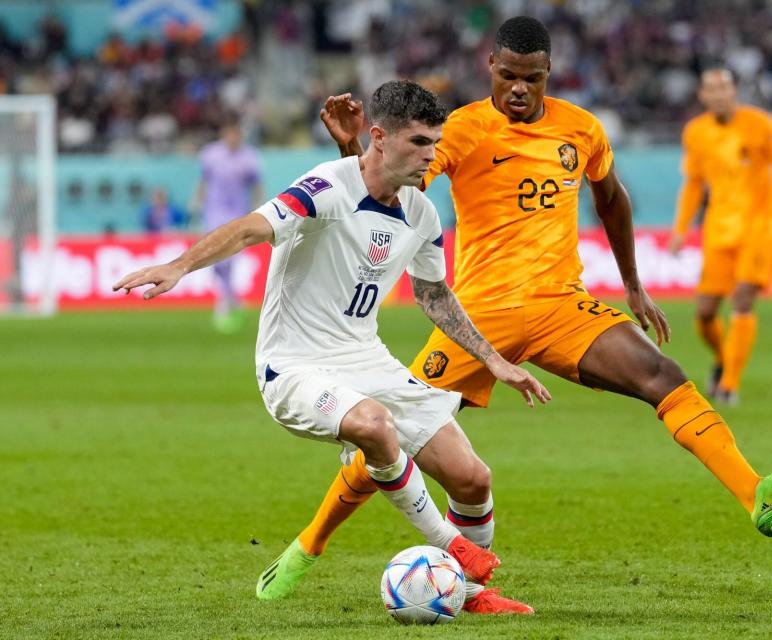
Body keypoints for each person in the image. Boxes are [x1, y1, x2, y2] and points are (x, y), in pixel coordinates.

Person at [290, 16, 772, 613]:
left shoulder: (581, 129)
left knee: (664, 379)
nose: (520, 88)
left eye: (533, 78)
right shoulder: (460, 130)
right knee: (395, 433)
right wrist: (350, 148)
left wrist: (633, 285)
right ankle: (307, 545)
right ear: (491, 67)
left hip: (561, 306)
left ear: (549, 75)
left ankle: (757, 493)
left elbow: (612, 198)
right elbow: (384, 180)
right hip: (480, 317)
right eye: (510, 75)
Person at [112, 79, 551, 605]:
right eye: (418, 143)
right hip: (294, 366)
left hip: (366, 359)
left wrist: (493, 360)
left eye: (435, 143)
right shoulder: (324, 187)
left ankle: (473, 593)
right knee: (374, 425)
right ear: (380, 137)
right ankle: (453, 547)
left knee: (473, 477)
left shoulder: (422, 215)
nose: (430, 156)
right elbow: (253, 227)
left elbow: (433, 296)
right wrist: (180, 265)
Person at [669, 68, 772, 405]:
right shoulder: (695, 132)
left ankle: (729, 385)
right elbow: (693, 183)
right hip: (718, 228)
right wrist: (681, 228)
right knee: (704, 312)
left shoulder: (761, 124)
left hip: (759, 225)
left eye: (725, 87)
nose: (719, 94)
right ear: (702, 96)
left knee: (743, 298)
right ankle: (723, 358)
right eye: (712, 88)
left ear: (734, 91)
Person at [193, 113, 263, 332]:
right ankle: (233, 299)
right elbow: (204, 181)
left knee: (229, 259)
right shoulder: (210, 155)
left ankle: (224, 303)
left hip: (236, 214)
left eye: (236, 134)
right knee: (214, 259)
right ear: (224, 134)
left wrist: (258, 209)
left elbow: (256, 186)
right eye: (229, 133)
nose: (233, 138)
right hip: (213, 212)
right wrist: (196, 203)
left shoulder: (249, 158)